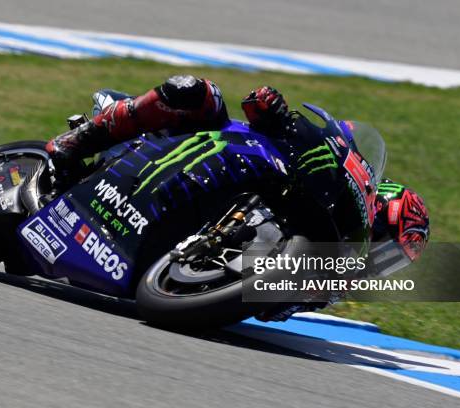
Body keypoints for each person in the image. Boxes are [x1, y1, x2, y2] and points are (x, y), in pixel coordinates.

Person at [46, 74, 429, 273]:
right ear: (380, 202)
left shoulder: (325, 278)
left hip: (176, 243)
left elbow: (266, 307)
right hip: (210, 149)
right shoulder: (332, 173)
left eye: (390, 261)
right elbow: (272, 119)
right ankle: (78, 141)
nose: (378, 257)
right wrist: (273, 110)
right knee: (195, 91)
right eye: (384, 244)